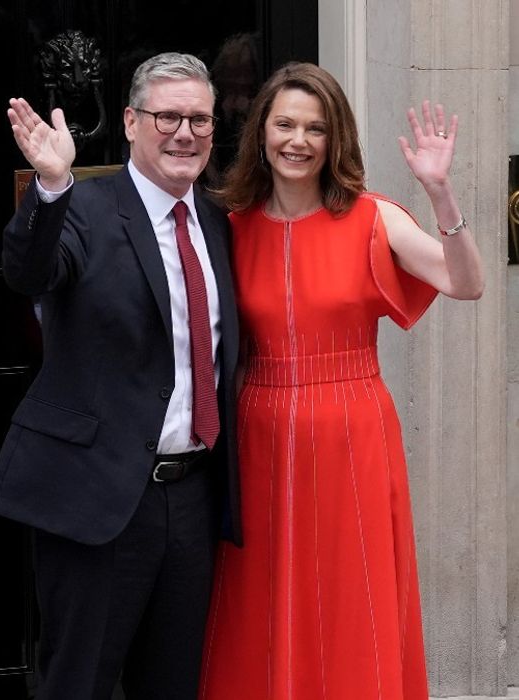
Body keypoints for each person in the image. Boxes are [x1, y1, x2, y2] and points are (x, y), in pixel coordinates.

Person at [198, 62, 484, 699]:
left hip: (352, 431)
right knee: (259, 597)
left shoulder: (374, 218)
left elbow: (466, 283)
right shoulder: (228, 224)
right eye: (285, 125)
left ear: (336, 140)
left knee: (354, 596)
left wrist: (442, 195)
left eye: (316, 128)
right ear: (260, 134)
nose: (298, 141)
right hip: (258, 431)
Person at [0, 52, 241, 699]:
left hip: (192, 497)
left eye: (199, 120)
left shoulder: (216, 221)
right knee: (79, 684)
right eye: (167, 117)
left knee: (173, 684)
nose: (184, 133)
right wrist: (49, 186)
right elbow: (28, 273)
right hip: (95, 498)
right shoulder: (84, 206)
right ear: (129, 122)